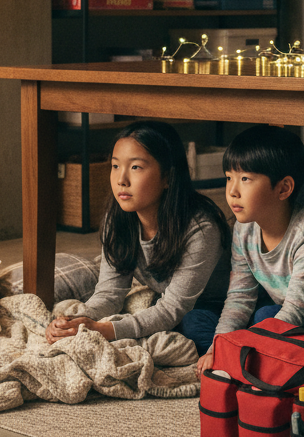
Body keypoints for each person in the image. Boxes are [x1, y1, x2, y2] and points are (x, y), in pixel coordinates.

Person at [46, 121, 230, 352]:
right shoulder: (118, 219)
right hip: (171, 302)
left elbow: (172, 308)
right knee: (150, 318)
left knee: (192, 331)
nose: (121, 179)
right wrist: (76, 322)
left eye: (136, 167)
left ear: (168, 177)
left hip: (218, 305)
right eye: (115, 166)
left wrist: (107, 330)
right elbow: (110, 292)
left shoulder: (200, 228)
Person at [192, 125, 304, 376]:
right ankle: (244, 354)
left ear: (283, 188)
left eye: (245, 179)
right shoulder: (244, 229)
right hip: (273, 313)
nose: (232, 190)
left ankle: (249, 355)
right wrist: (218, 345)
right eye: (229, 177)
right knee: (194, 321)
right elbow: (239, 297)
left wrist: (240, 344)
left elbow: (298, 311)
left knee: (266, 315)